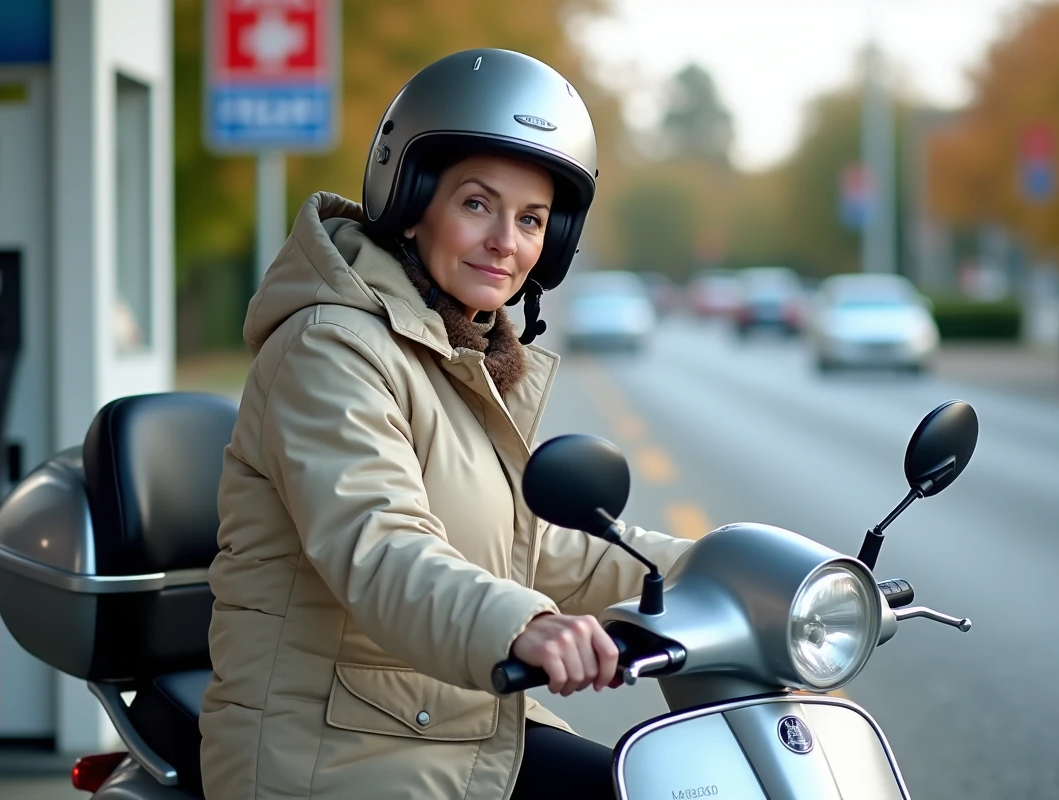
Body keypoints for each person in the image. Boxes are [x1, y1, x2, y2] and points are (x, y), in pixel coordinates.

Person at [199, 48, 692, 800]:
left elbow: (535, 545)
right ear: (411, 197)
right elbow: (379, 544)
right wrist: (523, 624)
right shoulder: (330, 348)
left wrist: (729, 571)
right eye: (476, 203)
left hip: (439, 724)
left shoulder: (454, 353)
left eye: (532, 220)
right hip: (329, 751)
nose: (507, 241)